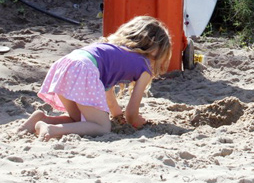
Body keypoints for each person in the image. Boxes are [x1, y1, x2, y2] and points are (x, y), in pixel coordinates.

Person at [19, 16, 172, 139]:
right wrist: (139, 121)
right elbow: (132, 114)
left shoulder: (113, 51)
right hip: (84, 70)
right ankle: (51, 129)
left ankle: (41, 119)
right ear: (157, 54)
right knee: (102, 127)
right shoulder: (144, 66)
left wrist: (118, 116)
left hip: (67, 64)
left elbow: (109, 98)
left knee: (79, 121)